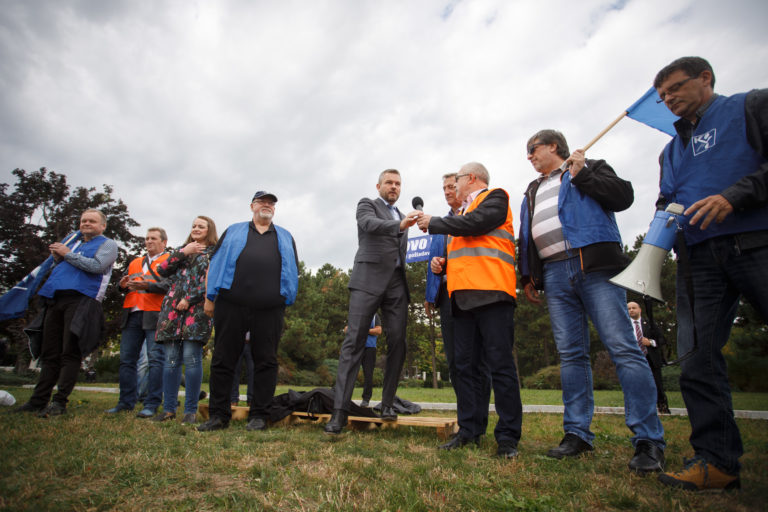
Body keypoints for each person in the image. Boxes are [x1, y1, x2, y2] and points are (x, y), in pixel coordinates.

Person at [518, 130, 665, 473]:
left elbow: (623, 197)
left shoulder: (590, 166)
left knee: (623, 348)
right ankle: (577, 433)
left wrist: (582, 174)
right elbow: (528, 234)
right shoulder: (533, 188)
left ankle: (648, 440)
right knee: (571, 354)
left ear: (553, 146)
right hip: (554, 273)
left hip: (594, 265)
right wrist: (528, 275)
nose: (529, 157)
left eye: (533, 149)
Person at [652, 56, 768, 491]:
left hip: (757, 240)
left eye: (675, 89)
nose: (668, 100)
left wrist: (736, 196)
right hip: (698, 258)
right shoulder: (671, 149)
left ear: (706, 78)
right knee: (696, 359)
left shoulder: (751, 106)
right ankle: (717, 461)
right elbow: (667, 202)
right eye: (662, 96)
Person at [416, 162, 521, 458]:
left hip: (492, 293)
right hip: (461, 299)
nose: (454, 186)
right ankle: (469, 430)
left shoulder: (496, 197)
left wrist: (434, 222)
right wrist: (443, 264)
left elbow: (477, 225)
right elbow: (469, 250)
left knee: (500, 366)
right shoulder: (461, 214)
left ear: (471, 179)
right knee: (464, 367)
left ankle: (508, 437)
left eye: (457, 181)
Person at [324, 169, 420, 435]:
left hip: (396, 285)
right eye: (389, 182)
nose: (394, 187)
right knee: (354, 342)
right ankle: (339, 412)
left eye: (398, 183)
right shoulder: (367, 205)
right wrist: (399, 226)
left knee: (398, 341)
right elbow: (368, 225)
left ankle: (387, 404)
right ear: (379, 185)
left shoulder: (403, 216)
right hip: (367, 281)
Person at [198, 191, 298, 432]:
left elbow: (293, 269)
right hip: (231, 303)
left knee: (266, 361)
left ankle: (259, 416)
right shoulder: (233, 230)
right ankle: (218, 416)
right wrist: (209, 298)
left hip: (270, 307)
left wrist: (286, 298)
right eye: (262, 201)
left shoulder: (285, 236)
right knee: (223, 359)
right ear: (252, 206)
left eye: (271, 203)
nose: (267, 205)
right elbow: (216, 262)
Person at [15, 209, 118, 417]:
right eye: (83, 220)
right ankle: (38, 400)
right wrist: (57, 257)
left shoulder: (108, 244)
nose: (86, 224)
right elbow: (60, 266)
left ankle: (59, 402)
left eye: (92, 221)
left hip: (81, 300)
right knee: (50, 352)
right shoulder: (72, 241)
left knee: (69, 352)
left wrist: (66, 254)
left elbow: (97, 267)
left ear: (103, 226)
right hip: (56, 298)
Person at [424, 172, 491, 433]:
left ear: (464, 185)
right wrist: (430, 295)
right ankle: (467, 423)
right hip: (447, 298)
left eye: (452, 186)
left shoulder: (473, 216)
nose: (447, 191)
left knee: (477, 361)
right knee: (455, 362)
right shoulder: (442, 223)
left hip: (474, 295)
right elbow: (435, 261)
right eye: (444, 188)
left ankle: (479, 421)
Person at [152, 216, 218, 425]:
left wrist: (189, 299)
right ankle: (169, 408)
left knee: (191, 358)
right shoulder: (182, 250)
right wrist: (184, 252)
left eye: (201, 226)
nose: (196, 229)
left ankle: (190, 410)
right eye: (194, 226)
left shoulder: (214, 252)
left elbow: (212, 280)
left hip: (197, 311)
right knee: (170, 361)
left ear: (209, 230)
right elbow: (161, 270)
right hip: (172, 311)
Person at [106, 228, 170, 418]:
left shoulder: (169, 261)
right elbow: (121, 285)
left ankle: (151, 403)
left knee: (155, 359)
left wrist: (147, 286)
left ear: (163, 242)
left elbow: (170, 286)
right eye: (147, 238)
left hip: (154, 313)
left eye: (154, 238)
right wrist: (122, 285)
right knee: (127, 360)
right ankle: (125, 402)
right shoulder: (135, 262)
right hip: (132, 312)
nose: (149, 241)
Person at [627, 301, 670, 415]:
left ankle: (663, 407)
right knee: (636, 385)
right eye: (629, 308)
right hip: (634, 359)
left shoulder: (650, 323)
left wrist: (651, 342)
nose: (631, 310)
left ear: (640, 309)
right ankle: (638, 410)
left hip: (651, 358)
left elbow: (662, 339)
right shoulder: (625, 326)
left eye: (633, 308)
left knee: (657, 384)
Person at [359, 314, 382, 408]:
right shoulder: (356, 314)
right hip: (355, 347)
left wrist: (363, 331)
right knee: (348, 372)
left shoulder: (374, 316)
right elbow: (346, 329)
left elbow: (378, 330)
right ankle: (341, 396)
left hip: (369, 348)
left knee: (368, 374)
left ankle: (366, 399)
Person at [230, 332, 254, 407]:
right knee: (235, 371)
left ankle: (251, 400)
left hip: (252, 343)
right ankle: (233, 400)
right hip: (236, 341)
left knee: (252, 372)